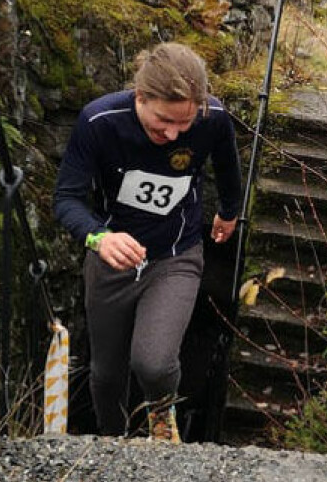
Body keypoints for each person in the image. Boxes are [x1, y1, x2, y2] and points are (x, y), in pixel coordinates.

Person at [53, 42, 242, 441]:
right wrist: (98, 238)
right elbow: (67, 198)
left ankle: (161, 418)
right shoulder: (99, 121)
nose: (173, 134)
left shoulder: (213, 118)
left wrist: (229, 209)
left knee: (153, 363)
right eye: (162, 122)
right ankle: (112, 442)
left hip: (176, 255)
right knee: (106, 374)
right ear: (140, 97)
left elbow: (227, 163)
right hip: (111, 261)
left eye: (184, 123)